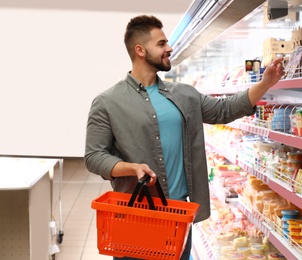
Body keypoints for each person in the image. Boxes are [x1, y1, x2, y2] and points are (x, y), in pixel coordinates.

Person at [84, 15, 284, 260]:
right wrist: (132, 168)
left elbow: (225, 109)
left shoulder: (185, 95)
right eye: (161, 44)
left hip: (178, 214)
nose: (169, 48)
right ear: (140, 50)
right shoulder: (108, 102)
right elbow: (94, 156)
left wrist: (266, 83)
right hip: (136, 215)